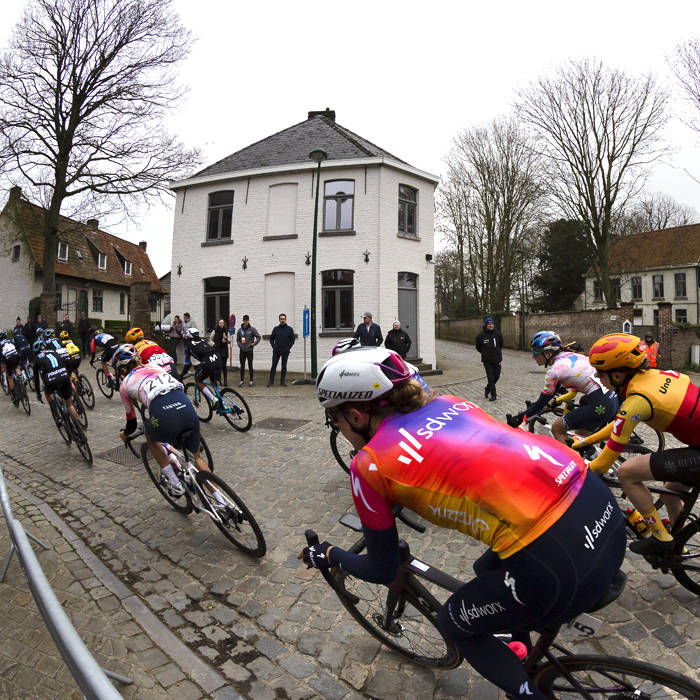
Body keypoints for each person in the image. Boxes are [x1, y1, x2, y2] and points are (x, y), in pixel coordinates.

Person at [300, 348, 625, 700]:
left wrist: (329, 553)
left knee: (454, 622)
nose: (339, 429)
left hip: (556, 561)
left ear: (356, 416)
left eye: (336, 421)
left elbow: (382, 568)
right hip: (600, 506)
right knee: (485, 565)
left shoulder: (370, 464)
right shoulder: (453, 402)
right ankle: (518, 642)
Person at [574, 333, 700, 556]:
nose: (596, 377)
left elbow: (604, 464)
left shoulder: (637, 401)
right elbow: (618, 423)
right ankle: (678, 547)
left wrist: (578, 473)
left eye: (600, 373)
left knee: (626, 472)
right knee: (669, 492)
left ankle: (661, 538)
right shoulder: (654, 375)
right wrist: (587, 440)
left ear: (617, 374)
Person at [113, 344, 223, 504]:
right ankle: (222, 501)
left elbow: (131, 422)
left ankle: (175, 483)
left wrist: (124, 435)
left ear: (122, 370)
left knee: (149, 434)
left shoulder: (125, 385)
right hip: (187, 408)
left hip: (165, 415)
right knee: (197, 459)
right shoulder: (154, 367)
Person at [506, 331, 618, 444]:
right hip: (610, 400)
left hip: (600, 404)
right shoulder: (570, 356)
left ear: (547, 354)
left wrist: (520, 417)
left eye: (535, 353)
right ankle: (585, 458)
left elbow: (541, 402)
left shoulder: (554, 372)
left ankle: (571, 462)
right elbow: (557, 389)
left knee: (557, 428)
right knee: (579, 440)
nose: (533, 356)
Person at [33, 338, 80, 423]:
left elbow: (36, 380)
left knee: (47, 392)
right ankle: (77, 424)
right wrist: (68, 374)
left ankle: (57, 417)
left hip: (51, 381)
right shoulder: (54, 352)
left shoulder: (37, 359)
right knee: (70, 405)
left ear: (35, 352)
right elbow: (68, 363)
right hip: (64, 376)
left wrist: (38, 394)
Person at [182, 328, 222, 406]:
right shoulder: (203, 341)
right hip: (218, 359)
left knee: (198, 380)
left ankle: (214, 399)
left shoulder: (188, 347)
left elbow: (187, 364)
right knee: (215, 383)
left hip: (208, 362)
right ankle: (222, 403)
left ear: (188, 338)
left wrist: (181, 375)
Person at [475, 317, 503, 401]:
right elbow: (478, 347)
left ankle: (487, 388)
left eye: (492, 324)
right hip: (487, 360)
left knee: (496, 377)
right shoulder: (481, 335)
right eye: (489, 324)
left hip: (497, 359)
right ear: (486, 325)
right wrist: (485, 353)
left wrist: (496, 352)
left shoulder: (498, 334)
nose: (491, 325)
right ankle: (493, 394)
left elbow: (501, 344)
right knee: (490, 378)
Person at [268, 313, 295, 387]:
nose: (282, 320)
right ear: (279, 320)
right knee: (274, 366)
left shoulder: (289, 329)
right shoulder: (275, 329)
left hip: (285, 351)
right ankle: (271, 381)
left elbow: (292, 340)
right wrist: (274, 346)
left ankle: (282, 381)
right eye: (281, 319)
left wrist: (288, 347)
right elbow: (271, 338)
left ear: (285, 320)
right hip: (276, 351)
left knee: (284, 366)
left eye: (283, 319)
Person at [236, 315, 260, 387]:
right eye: (245, 320)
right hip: (242, 351)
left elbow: (258, 337)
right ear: (243, 321)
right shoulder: (239, 330)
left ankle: (251, 380)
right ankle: (242, 380)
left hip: (249, 350)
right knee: (242, 366)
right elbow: (238, 340)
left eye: (247, 320)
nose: (246, 321)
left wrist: (254, 343)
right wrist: (240, 346)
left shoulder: (252, 329)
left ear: (248, 321)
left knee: (250, 366)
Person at [0, 332, 21, 406]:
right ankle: (20, 378)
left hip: (9, 358)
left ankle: (14, 396)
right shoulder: (9, 340)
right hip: (16, 355)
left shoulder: (0, 344)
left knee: (10, 376)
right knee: (15, 367)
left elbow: (2, 357)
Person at [209, 319, 231, 387]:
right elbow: (210, 339)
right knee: (218, 366)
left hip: (224, 350)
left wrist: (226, 339)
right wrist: (213, 344)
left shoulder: (226, 331)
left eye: (222, 323)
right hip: (217, 350)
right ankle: (218, 381)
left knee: (224, 366)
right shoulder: (214, 331)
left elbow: (230, 341)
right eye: (220, 323)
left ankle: (225, 381)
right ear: (218, 324)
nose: (221, 324)